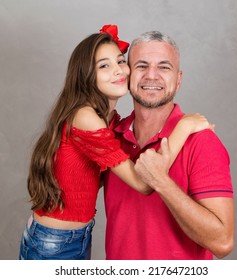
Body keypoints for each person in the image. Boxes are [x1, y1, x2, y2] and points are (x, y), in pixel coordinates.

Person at [18, 25, 214, 260]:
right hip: (53, 242)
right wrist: (184, 126)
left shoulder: (109, 121)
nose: (118, 71)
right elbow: (144, 184)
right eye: (104, 66)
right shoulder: (85, 116)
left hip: (78, 236)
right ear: (86, 76)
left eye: (120, 61)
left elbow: (84, 180)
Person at [103, 31, 234, 260]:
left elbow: (222, 242)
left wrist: (161, 182)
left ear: (179, 79)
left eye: (164, 67)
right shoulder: (110, 138)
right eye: (142, 66)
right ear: (127, 74)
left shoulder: (202, 142)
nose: (151, 76)